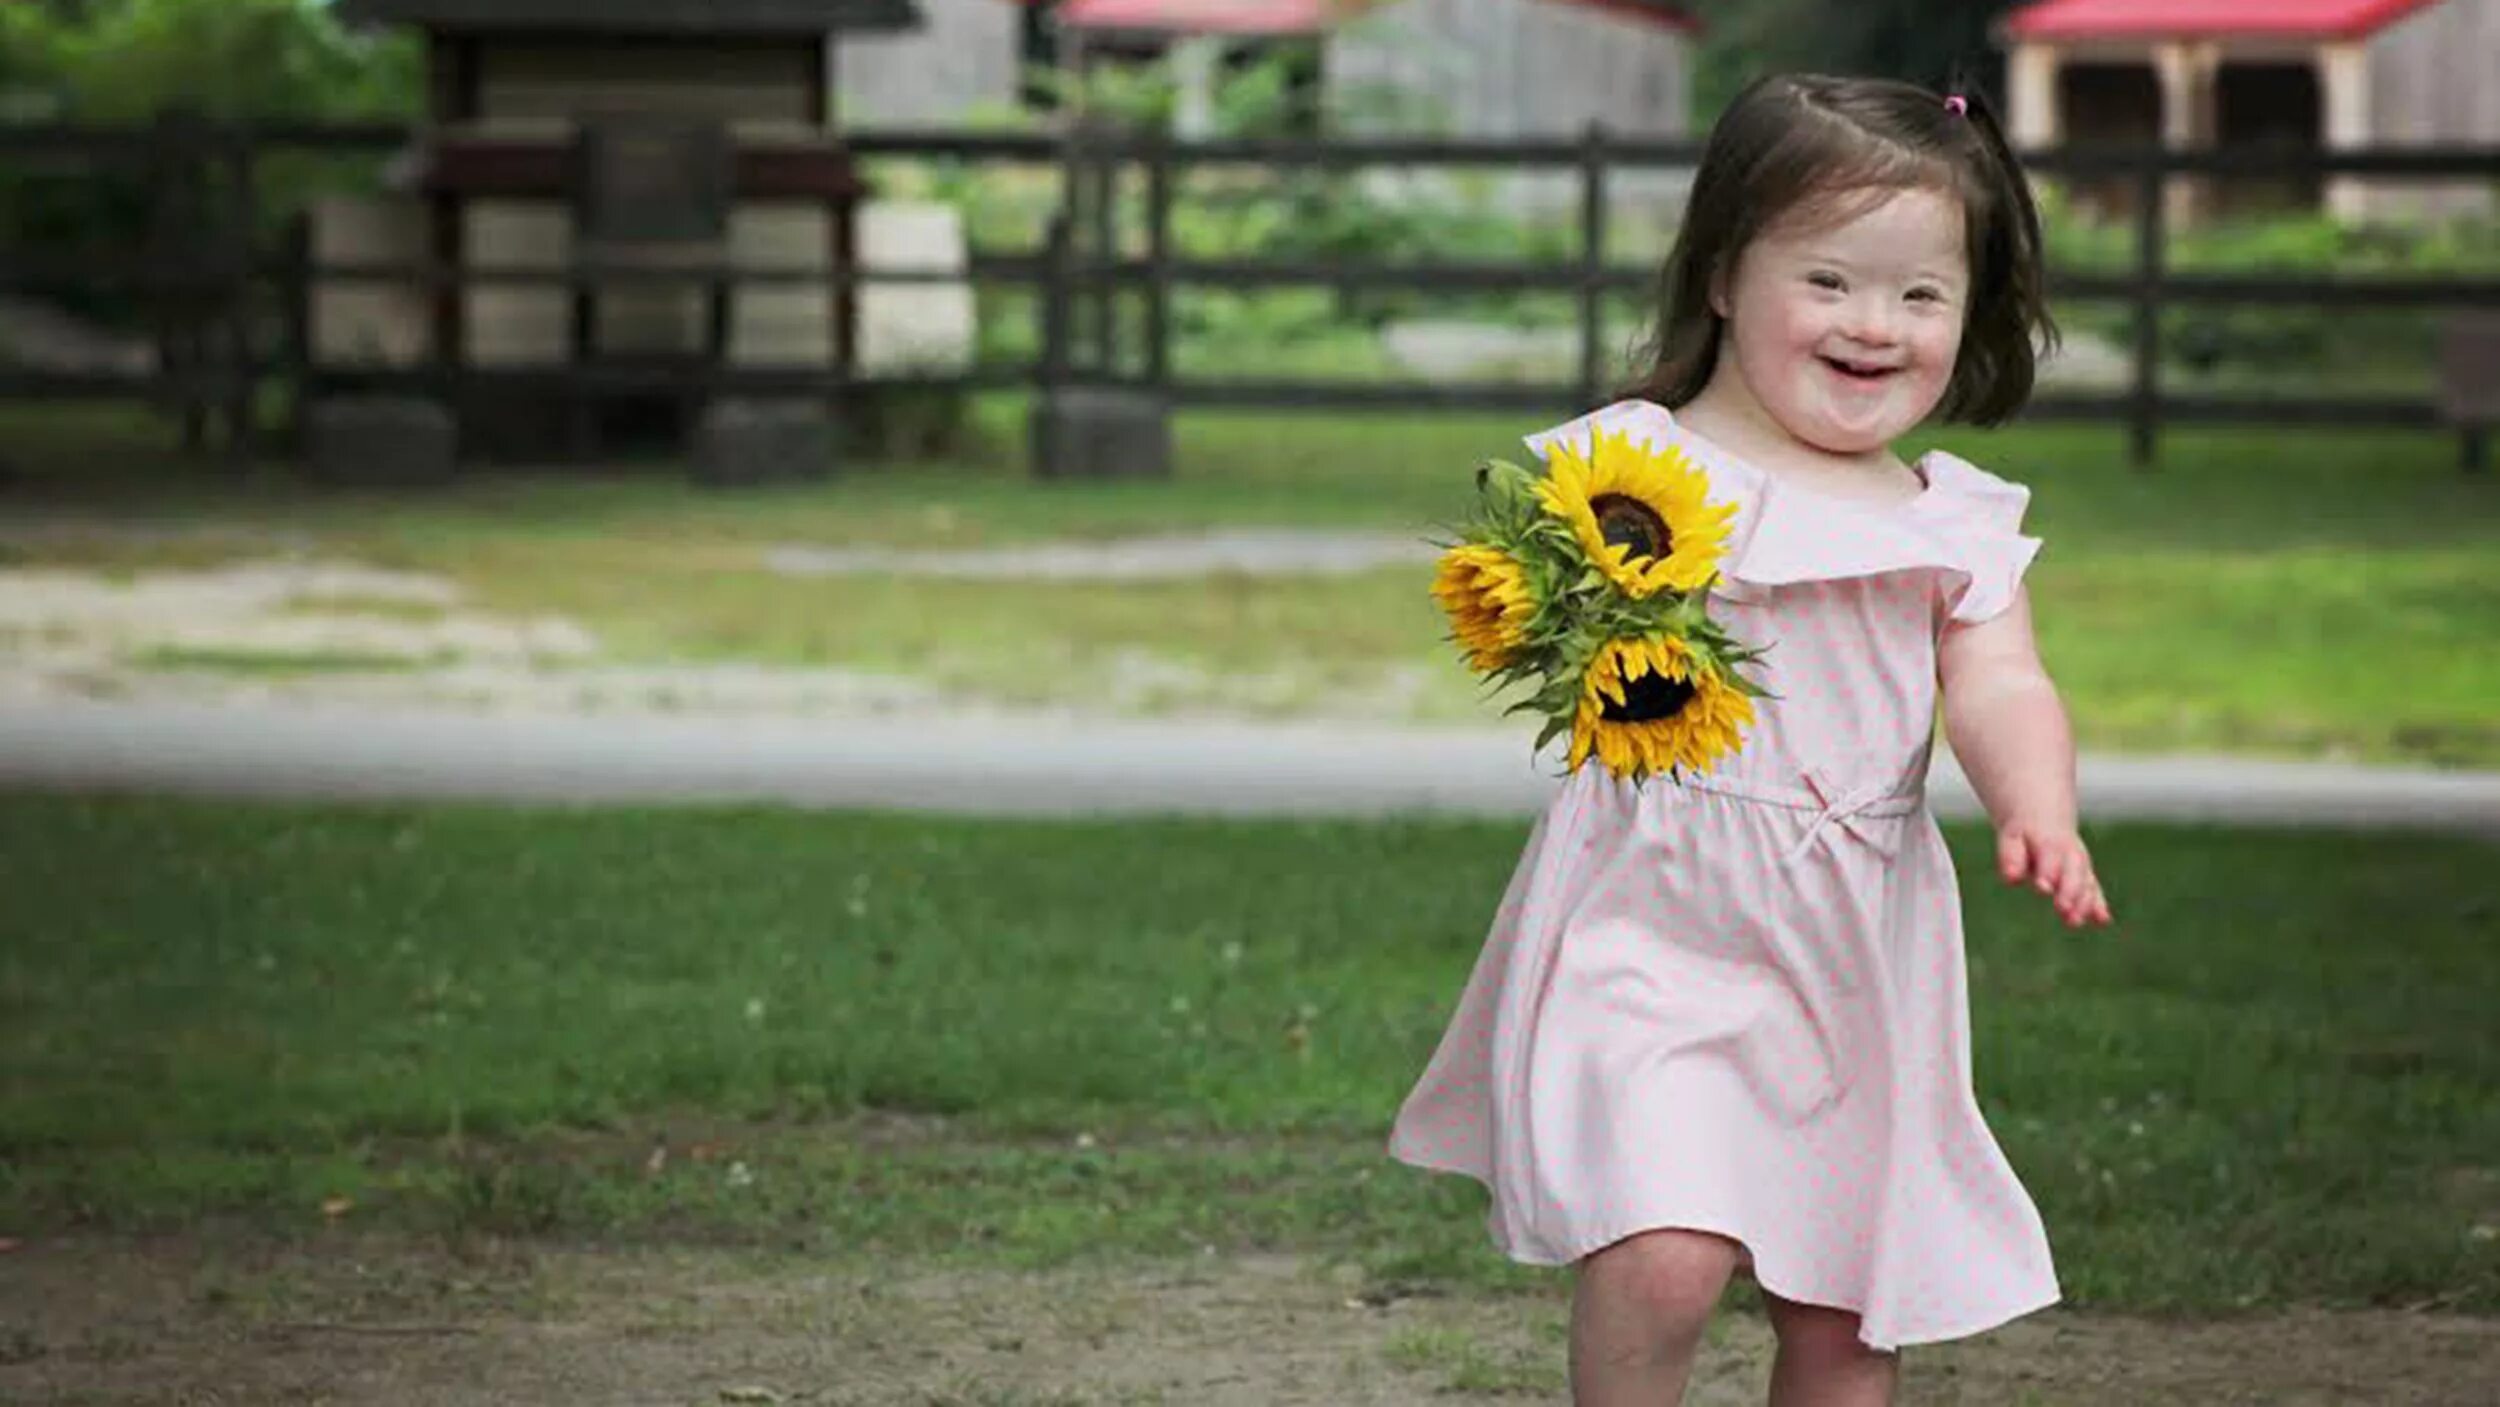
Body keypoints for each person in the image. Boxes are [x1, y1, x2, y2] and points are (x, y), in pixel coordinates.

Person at [1388, 73, 2115, 1407]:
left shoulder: (1948, 519)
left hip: (1853, 949)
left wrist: (2038, 807)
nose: (1874, 326)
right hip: (1656, 915)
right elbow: (1537, 617)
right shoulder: (1632, 474)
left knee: (1844, 1313)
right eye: (1830, 281)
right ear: (1725, 275)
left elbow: (2003, 684)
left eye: (1920, 296)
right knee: (1663, 1250)